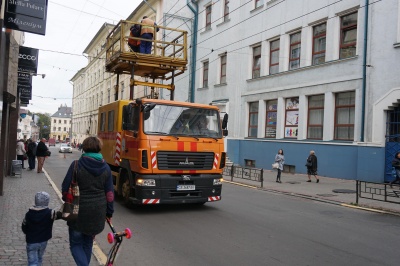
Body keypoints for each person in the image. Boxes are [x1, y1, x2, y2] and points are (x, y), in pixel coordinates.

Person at [61, 136, 114, 266]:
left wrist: (67, 199)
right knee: (88, 242)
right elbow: (110, 194)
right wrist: (109, 212)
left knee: (76, 244)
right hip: (97, 212)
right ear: (99, 148)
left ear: (84, 148)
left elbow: (64, 188)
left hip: (77, 211)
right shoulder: (106, 167)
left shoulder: (76, 165)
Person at [22, 191, 62, 266]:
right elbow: (59, 215)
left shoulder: (28, 214)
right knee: (39, 257)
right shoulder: (50, 213)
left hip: (31, 241)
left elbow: (24, 226)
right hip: (43, 240)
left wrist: (26, 233)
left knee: (32, 261)